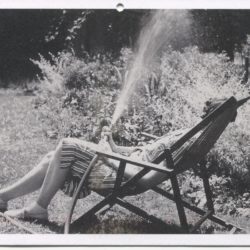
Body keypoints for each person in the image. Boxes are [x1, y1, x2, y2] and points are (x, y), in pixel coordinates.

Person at [0, 121, 190, 221]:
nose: (204, 106)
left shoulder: (186, 143)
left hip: (121, 178)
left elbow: (146, 180)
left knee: (67, 146)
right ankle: (3, 197)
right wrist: (114, 148)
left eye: (209, 106)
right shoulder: (186, 134)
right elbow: (141, 154)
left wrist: (109, 158)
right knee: (53, 157)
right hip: (120, 167)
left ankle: (39, 208)